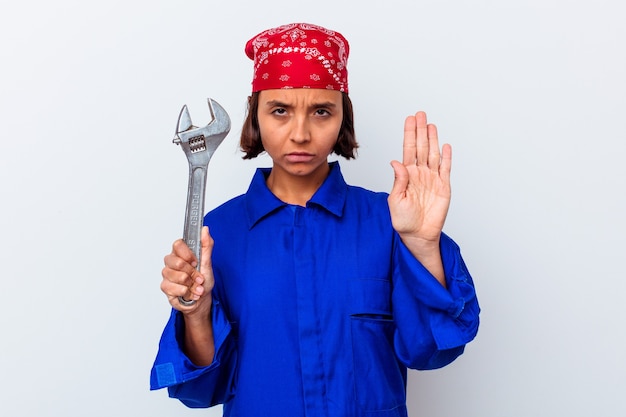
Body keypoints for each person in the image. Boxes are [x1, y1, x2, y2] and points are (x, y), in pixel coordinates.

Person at [150, 22, 479, 417]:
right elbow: (202, 390)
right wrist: (197, 314)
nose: (301, 134)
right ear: (256, 117)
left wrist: (424, 247)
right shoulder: (217, 233)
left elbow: (430, 351)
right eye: (280, 111)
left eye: (321, 111)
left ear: (343, 117)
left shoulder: (389, 222)